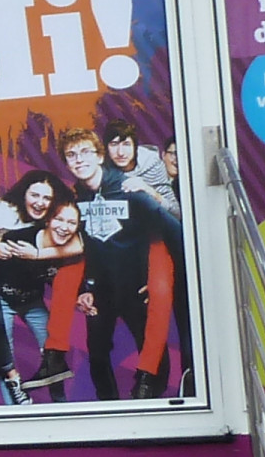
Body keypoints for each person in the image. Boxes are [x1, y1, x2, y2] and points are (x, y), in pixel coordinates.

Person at [64, 126, 182, 399]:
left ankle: (149, 406)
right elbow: (82, 245)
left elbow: (175, 231)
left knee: (152, 353)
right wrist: (84, 287)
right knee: (96, 353)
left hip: (136, 286)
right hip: (100, 289)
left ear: (99, 156)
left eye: (85, 153)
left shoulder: (129, 189)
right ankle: (112, 411)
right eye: (71, 155)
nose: (79, 160)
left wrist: (159, 280)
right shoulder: (76, 196)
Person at [0, 171, 77, 404]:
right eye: (34, 194)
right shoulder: (4, 210)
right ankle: (15, 409)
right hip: (2, 292)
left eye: (46, 198)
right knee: (3, 353)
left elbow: (79, 246)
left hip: (31, 296)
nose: (40, 202)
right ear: (24, 192)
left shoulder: (57, 220)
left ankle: (61, 405)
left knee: (53, 349)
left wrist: (39, 254)